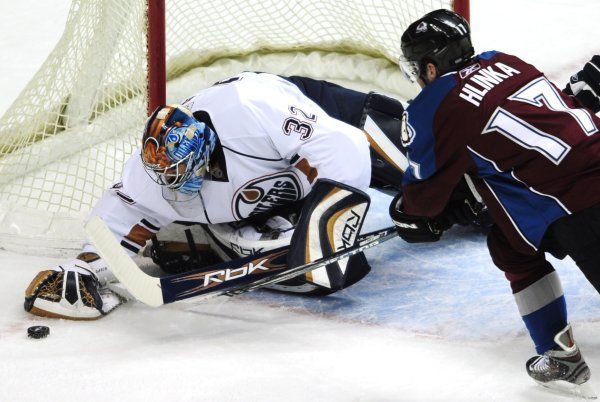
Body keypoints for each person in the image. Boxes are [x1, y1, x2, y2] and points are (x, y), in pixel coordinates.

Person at [24, 70, 431, 320]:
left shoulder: (251, 110)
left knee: (419, 165)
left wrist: (331, 222)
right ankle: (214, 239)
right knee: (320, 278)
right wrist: (82, 268)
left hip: (307, 111)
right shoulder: (153, 175)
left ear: (205, 146)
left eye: (182, 171)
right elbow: (116, 220)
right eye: (165, 175)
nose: (173, 184)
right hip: (271, 190)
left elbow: (344, 147)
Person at [388, 9, 600, 394]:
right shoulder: (505, 61)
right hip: (583, 170)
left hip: (579, 203)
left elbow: (422, 200)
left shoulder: (436, 104)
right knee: (509, 245)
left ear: (431, 67)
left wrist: (411, 213)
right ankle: (558, 353)